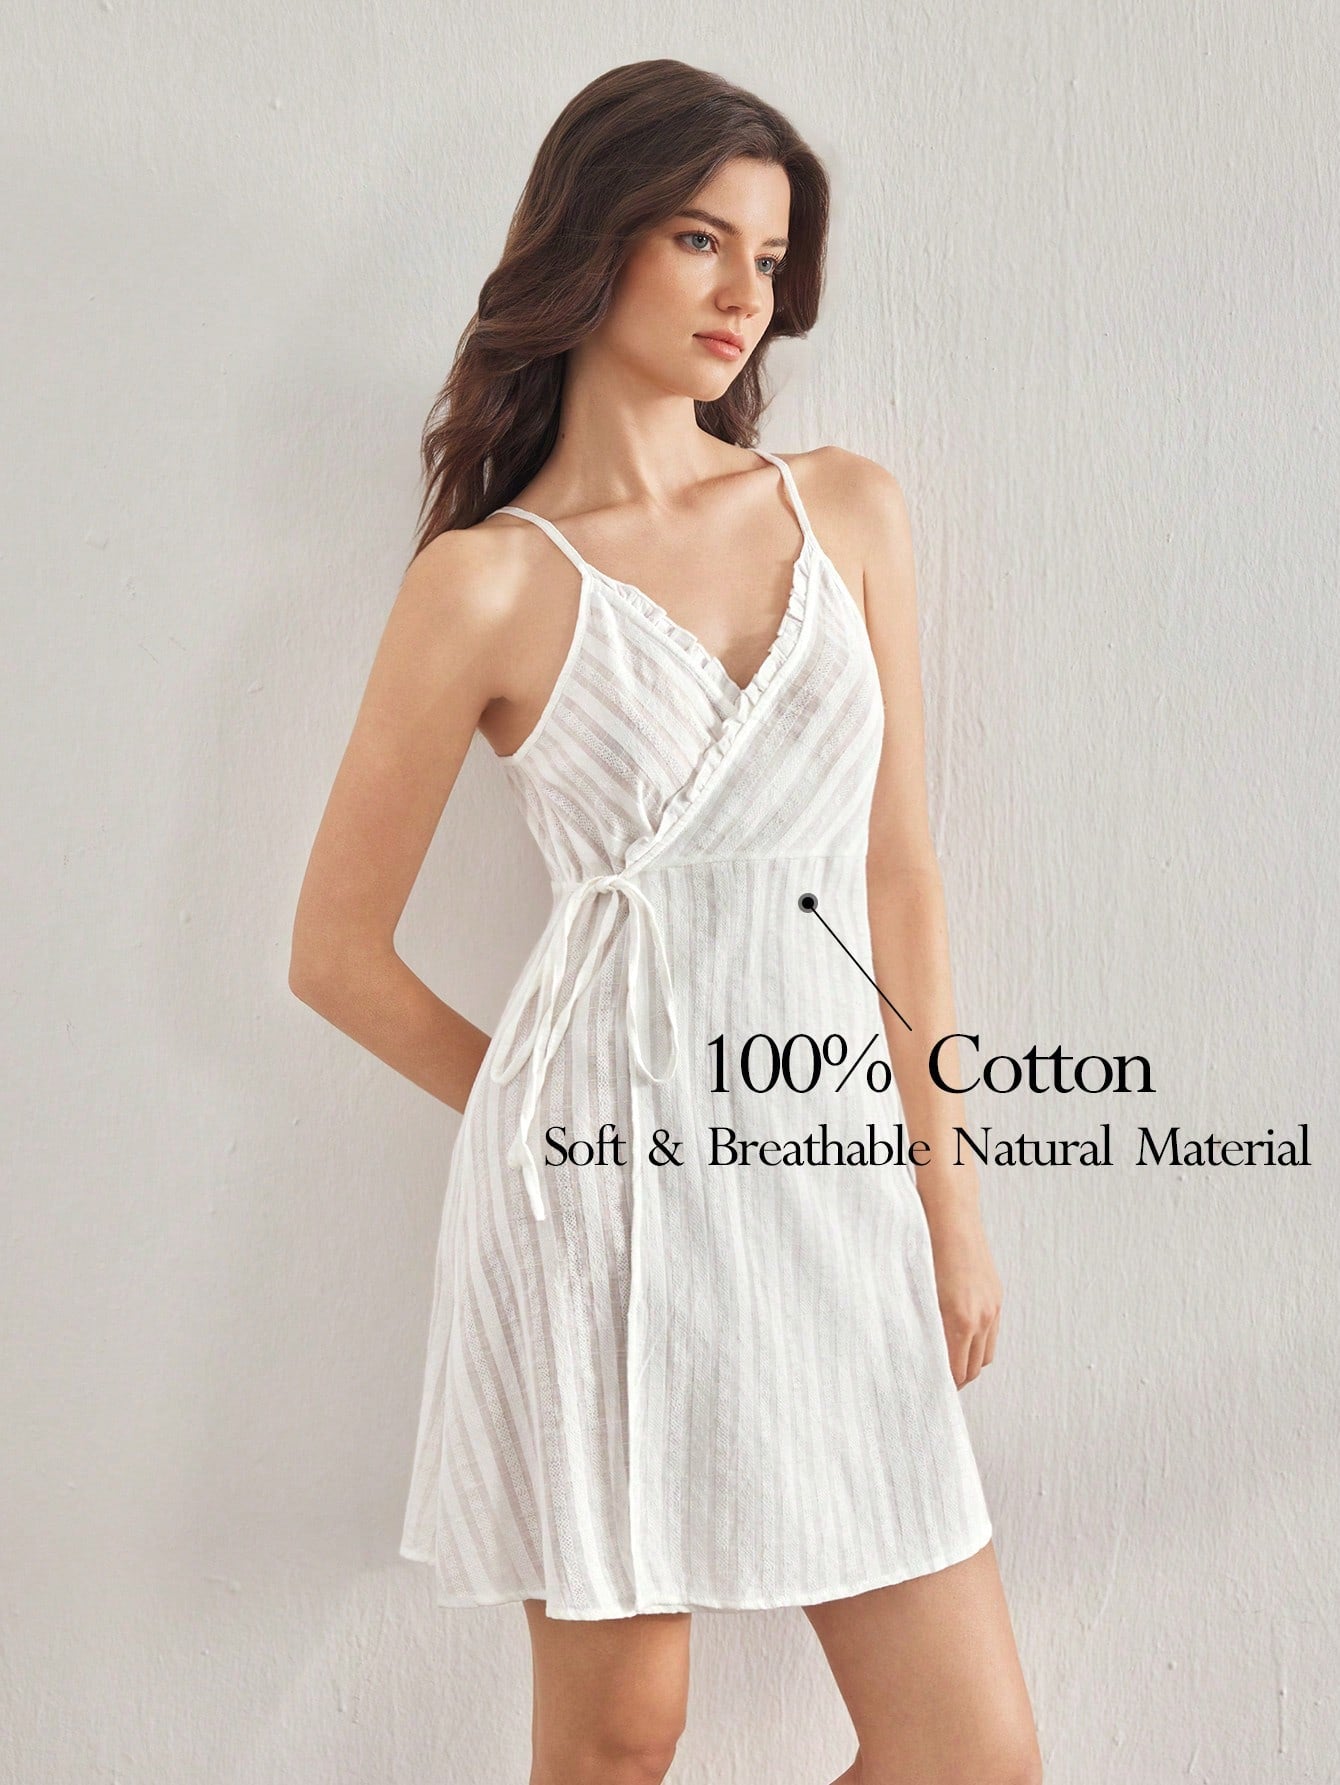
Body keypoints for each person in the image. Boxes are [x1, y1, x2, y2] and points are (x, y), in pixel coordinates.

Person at [290, 57, 1043, 1785]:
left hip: (827, 1183)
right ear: (594, 240)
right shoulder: (484, 581)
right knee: (625, 1737)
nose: (742, 295)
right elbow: (332, 952)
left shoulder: (844, 508)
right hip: (595, 1209)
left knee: (969, 1750)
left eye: (768, 259)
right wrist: (556, 1117)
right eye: (701, 239)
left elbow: (899, 876)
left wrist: (949, 1200)